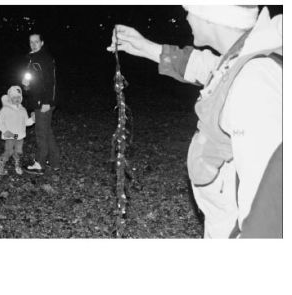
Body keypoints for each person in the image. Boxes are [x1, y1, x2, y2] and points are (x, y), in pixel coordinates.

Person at [107, 5, 282, 238]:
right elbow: (214, 68)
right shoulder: (246, 53)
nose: (187, 17)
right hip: (223, 219)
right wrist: (147, 48)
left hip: (234, 230)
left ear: (211, 14)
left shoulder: (255, 82)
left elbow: (269, 203)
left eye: (190, 9)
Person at [22, 33, 60, 175]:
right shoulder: (32, 58)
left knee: (41, 134)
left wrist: (47, 102)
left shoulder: (44, 58)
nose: (33, 44)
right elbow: (36, 81)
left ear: (42, 43)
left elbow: (51, 83)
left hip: (44, 102)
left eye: (36, 41)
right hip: (38, 100)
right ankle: (55, 162)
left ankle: (40, 164)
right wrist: (26, 85)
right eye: (31, 42)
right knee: (47, 132)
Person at [0, 86, 35, 176]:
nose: (17, 99)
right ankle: (0, 168)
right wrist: (4, 130)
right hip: (10, 135)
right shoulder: (5, 109)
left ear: (21, 98)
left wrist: (33, 119)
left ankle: (17, 165)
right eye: (14, 97)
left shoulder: (23, 110)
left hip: (20, 136)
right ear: (10, 99)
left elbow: (26, 122)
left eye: (18, 97)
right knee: (8, 151)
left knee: (18, 151)